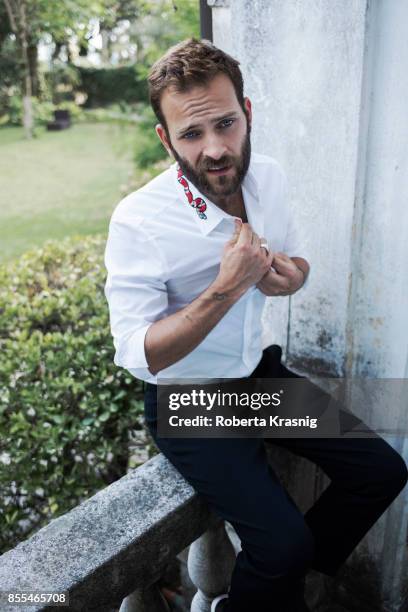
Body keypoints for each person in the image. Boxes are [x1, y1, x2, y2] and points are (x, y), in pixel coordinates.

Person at [104, 38, 408, 612]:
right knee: (282, 542)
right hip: (186, 400)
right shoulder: (139, 220)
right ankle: (272, 585)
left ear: (248, 112)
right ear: (166, 139)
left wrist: (289, 278)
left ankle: (272, 591)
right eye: (192, 134)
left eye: (226, 123)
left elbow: (296, 262)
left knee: (381, 471)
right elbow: (139, 353)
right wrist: (226, 287)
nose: (216, 149)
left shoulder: (268, 176)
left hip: (257, 376)